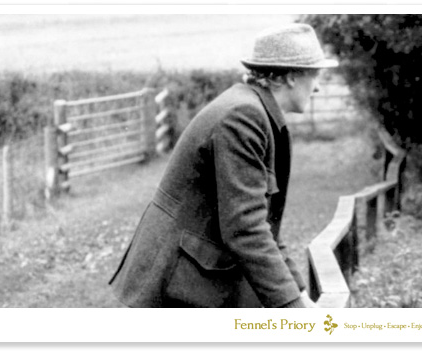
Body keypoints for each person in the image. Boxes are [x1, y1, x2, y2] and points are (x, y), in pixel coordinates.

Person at [108, 23, 338, 307]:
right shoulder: (244, 116)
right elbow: (245, 228)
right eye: (316, 75)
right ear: (291, 76)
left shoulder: (253, 109)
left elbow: (261, 224)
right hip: (176, 281)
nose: (317, 87)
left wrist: (299, 295)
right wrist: (294, 310)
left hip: (191, 275)